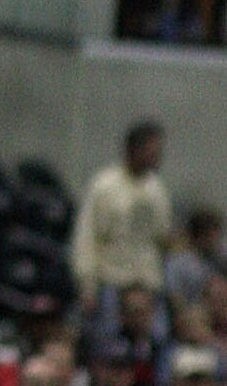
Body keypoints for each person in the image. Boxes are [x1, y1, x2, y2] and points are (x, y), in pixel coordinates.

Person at [73, 123, 172, 313]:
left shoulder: (157, 189)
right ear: (134, 149)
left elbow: (161, 237)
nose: (156, 157)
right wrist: (87, 285)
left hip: (147, 283)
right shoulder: (104, 186)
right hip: (111, 282)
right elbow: (87, 237)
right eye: (152, 151)